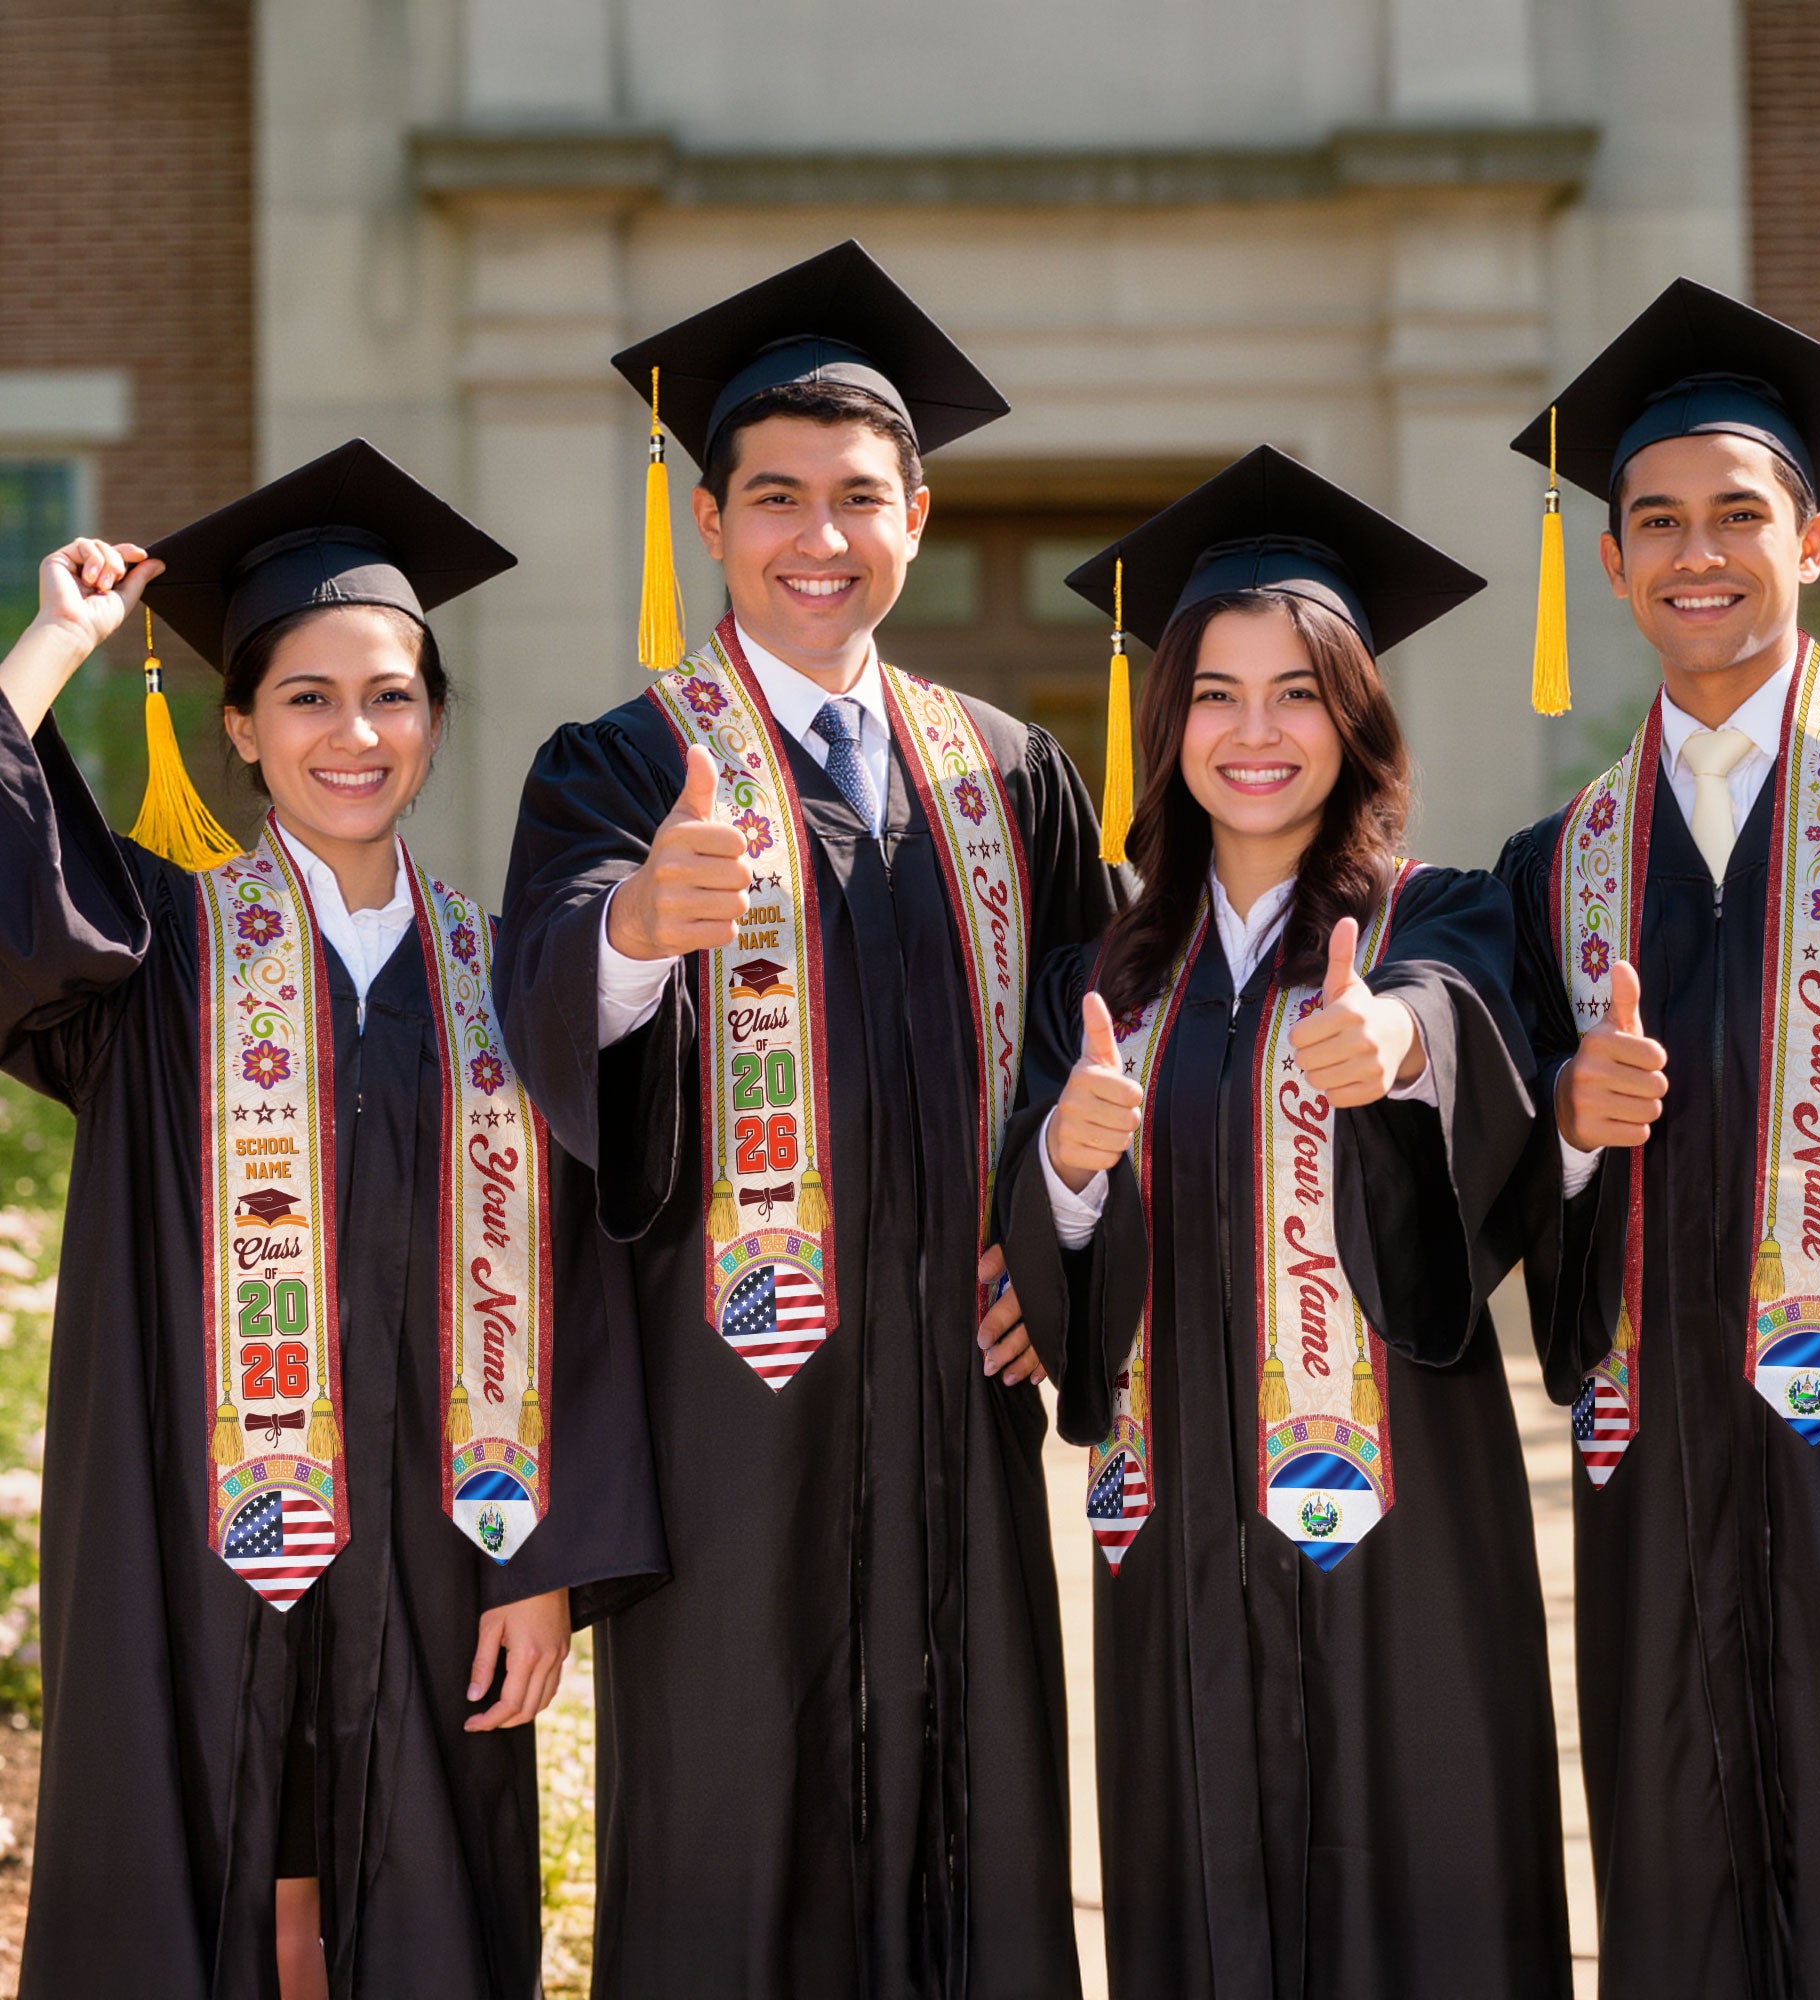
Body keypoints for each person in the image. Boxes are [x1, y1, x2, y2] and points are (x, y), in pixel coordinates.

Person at [495, 241, 1122, 1999]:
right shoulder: (618, 764)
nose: (818, 538)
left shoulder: (1010, 772)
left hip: (957, 1408)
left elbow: (1110, 1047)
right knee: (733, 1835)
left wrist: (1062, 1246)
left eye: (860, 498)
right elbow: (542, 1005)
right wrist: (631, 932)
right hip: (730, 1421)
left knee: (976, 1820)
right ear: (711, 521)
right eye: (776, 498)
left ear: (917, 515)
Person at [0, 440, 664, 2000]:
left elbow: (585, 1285)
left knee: (421, 1894)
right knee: (200, 1866)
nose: (352, 733)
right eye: (305, 697)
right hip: (191, 1530)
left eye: (391, 694)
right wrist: (53, 646)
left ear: (434, 719)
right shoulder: (154, 952)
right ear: (239, 726)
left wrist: (546, 1561)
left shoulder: (512, 978)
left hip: (446, 1547)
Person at [997, 446, 1571, 1999]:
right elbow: (1046, 1255)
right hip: (1174, 1522)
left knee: (1425, 1885)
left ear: (1357, 717)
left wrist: (1396, 1050)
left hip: (1406, 1526)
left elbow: (1467, 1031)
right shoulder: (1100, 979)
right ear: (1166, 720)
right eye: (1216, 694)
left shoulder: (1438, 916)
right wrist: (1063, 1156)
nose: (1257, 734)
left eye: (1300, 692)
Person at [1498, 279, 1820, 1999]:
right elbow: (1498, 1184)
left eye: (1736, 515)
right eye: (1655, 522)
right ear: (1617, 562)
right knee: (1682, 1886)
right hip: (1661, 1479)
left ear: (1815, 537)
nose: (1694, 553)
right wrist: (1564, 1127)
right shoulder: (1558, 863)